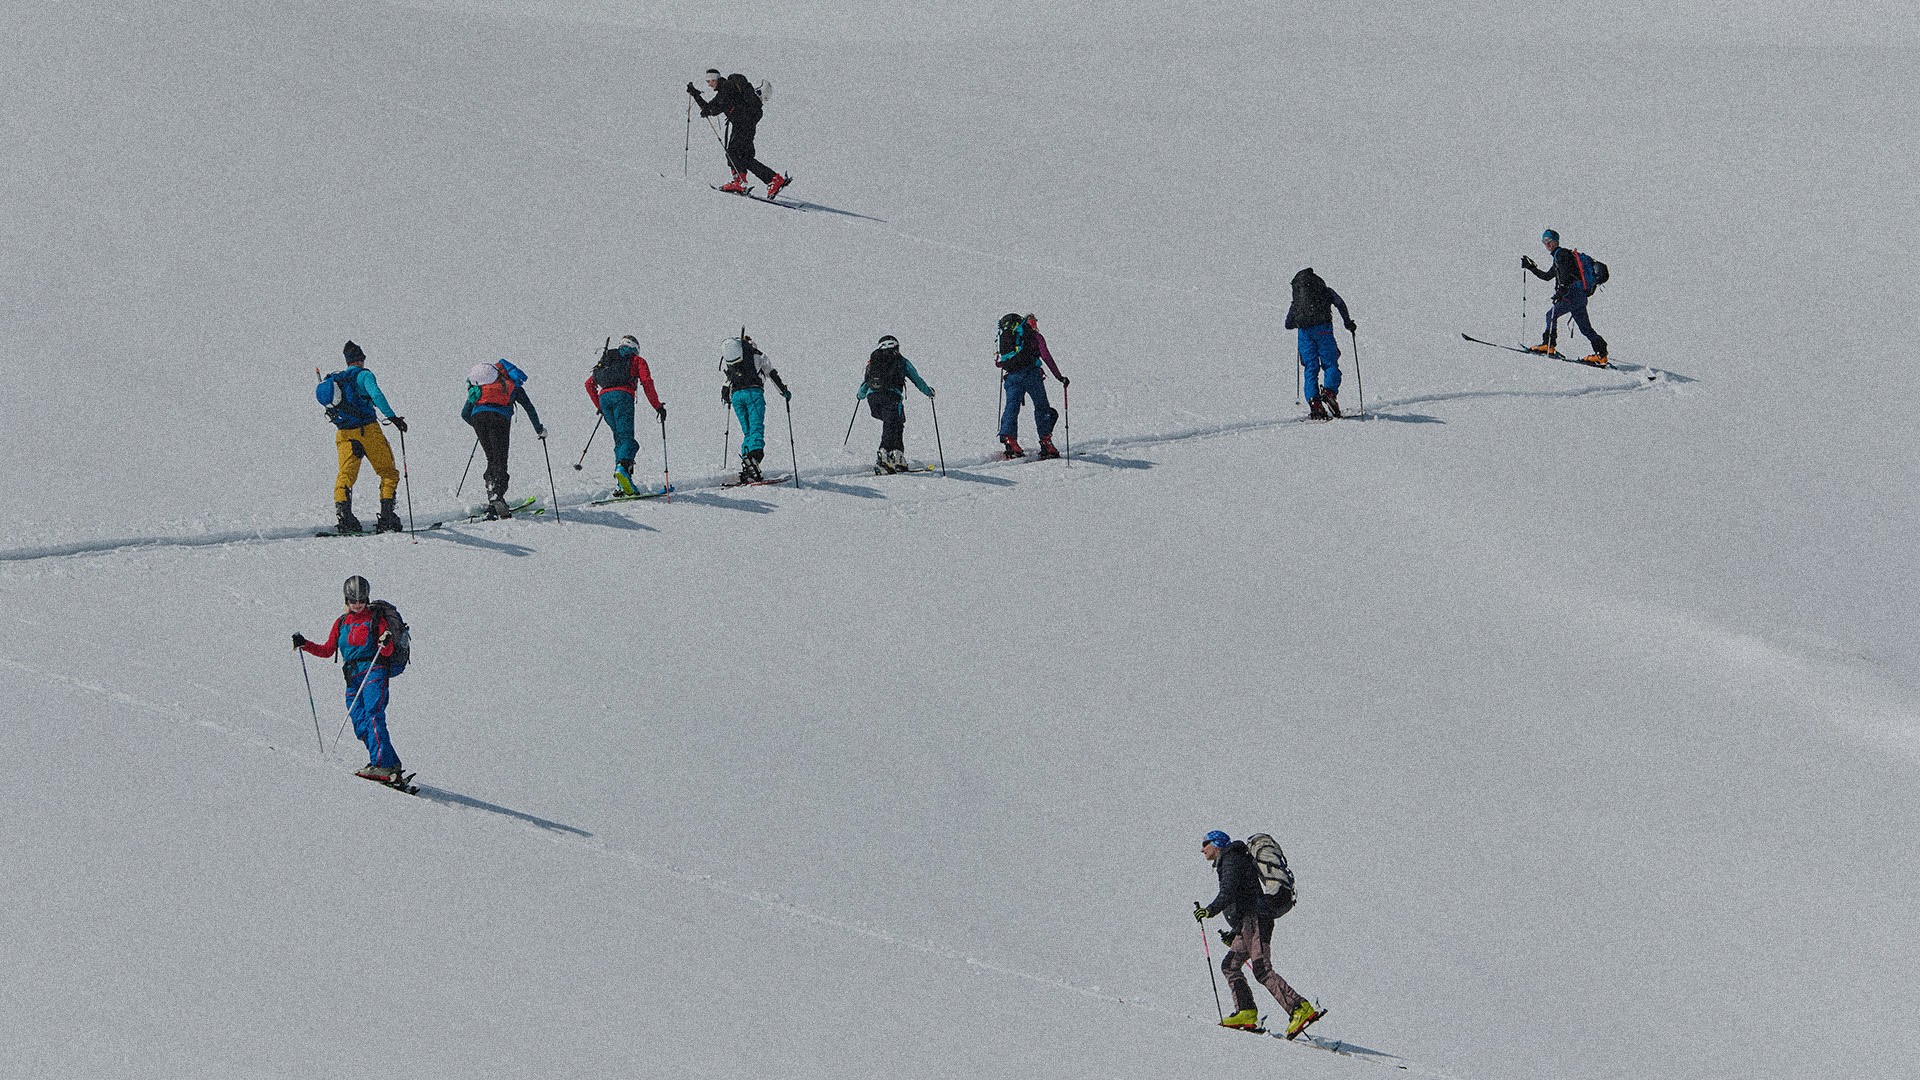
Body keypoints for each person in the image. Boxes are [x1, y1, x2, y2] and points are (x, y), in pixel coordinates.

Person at [1194, 830, 1323, 1038]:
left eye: (1205, 843)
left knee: (1261, 968)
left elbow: (1229, 892)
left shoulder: (1231, 858)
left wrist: (1209, 910)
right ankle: (1246, 1011)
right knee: (1230, 965)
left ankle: (1299, 1008)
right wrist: (1235, 933)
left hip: (1255, 919)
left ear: (1217, 843)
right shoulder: (1230, 860)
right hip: (1247, 924)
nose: (1202, 849)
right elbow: (1243, 894)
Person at [294, 575, 405, 784]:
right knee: (360, 723)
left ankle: (380, 764)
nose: (358, 604)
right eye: (353, 601)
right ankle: (391, 764)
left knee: (374, 715)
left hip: (374, 672)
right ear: (346, 600)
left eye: (361, 600)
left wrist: (386, 640)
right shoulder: (341, 622)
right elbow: (327, 650)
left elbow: (387, 650)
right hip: (352, 678)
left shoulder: (375, 619)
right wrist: (305, 644)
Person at [316, 340, 408, 534]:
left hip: (344, 434)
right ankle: (387, 517)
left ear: (347, 361)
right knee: (388, 472)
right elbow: (376, 395)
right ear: (361, 359)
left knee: (345, 474)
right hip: (368, 431)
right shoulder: (364, 375)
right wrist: (393, 418)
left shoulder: (338, 380)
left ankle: (345, 518)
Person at [687, 69, 792, 200]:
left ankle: (741, 182)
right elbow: (711, 108)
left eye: (710, 81)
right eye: (707, 82)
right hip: (746, 124)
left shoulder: (726, 89)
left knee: (733, 152)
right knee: (744, 157)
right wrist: (697, 96)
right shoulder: (727, 89)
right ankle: (773, 179)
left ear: (716, 79)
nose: (709, 84)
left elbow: (712, 109)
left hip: (742, 123)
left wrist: (699, 99)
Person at [461, 359, 545, 518]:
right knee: (500, 460)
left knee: (491, 458)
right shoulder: (513, 386)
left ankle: (492, 493)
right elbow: (529, 408)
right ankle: (497, 497)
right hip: (499, 420)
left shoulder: (482, 387)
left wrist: (479, 428)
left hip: (478, 418)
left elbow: (465, 414)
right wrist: (539, 429)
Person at [586, 335, 666, 496]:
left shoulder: (607, 360)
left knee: (620, 440)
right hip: (623, 397)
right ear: (635, 348)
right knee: (628, 440)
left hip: (604, 399)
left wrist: (600, 406)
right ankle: (623, 468)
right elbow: (647, 383)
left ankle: (621, 484)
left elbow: (589, 384)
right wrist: (657, 406)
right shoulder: (637, 360)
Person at [1523, 229, 1608, 365]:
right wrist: (1531, 267)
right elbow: (1547, 276)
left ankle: (1548, 345)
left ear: (1556, 241)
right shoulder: (1560, 256)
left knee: (1551, 315)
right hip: (1580, 296)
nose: (1547, 244)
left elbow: (1565, 274)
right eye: (1544, 241)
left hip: (1572, 294)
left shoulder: (1561, 254)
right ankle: (1601, 354)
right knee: (1585, 328)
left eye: (1549, 240)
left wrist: (1561, 291)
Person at [1283, 269, 1356, 420]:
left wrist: (1301, 320)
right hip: (1324, 331)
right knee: (1330, 363)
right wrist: (1348, 323)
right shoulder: (1324, 290)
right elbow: (1340, 304)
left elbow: (1288, 324)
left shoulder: (1298, 299)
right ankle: (1329, 391)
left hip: (1304, 334)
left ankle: (1314, 402)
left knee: (1310, 368)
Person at [857, 335, 936, 474]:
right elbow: (916, 379)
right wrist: (928, 392)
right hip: (891, 396)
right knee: (892, 423)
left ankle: (896, 454)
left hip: (873, 398)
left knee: (896, 422)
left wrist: (860, 395)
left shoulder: (873, 361)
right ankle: (886, 454)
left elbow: (866, 382)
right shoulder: (901, 361)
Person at [995, 312, 1068, 459]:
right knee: (1041, 407)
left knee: (1011, 407)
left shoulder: (1008, 337)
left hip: (1012, 376)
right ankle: (1046, 442)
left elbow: (998, 362)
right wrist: (1059, 377)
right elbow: (1046, 356)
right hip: (1031, 375)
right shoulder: (1035, 337)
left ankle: (1010, 440)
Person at [721, 333, 791, 483]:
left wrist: (727, 396)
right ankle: (754, 459)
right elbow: (772, 374)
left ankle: (748, 465)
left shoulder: (732, 359)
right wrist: (784, 392)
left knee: (748, 431)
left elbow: (728, 380)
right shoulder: (758, 355)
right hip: (753, 394)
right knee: (756, 428)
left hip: (737, 396)